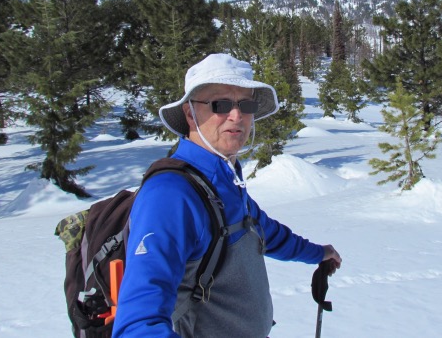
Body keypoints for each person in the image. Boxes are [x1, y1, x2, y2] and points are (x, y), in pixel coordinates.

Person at [112, 53, 342, 338]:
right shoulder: (170, 195)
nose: (237, 116)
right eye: (220, 104)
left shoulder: (224, 179)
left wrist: (318, 253)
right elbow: (137, 325)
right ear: (190, 113)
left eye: (246, 105)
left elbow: (262, 230)